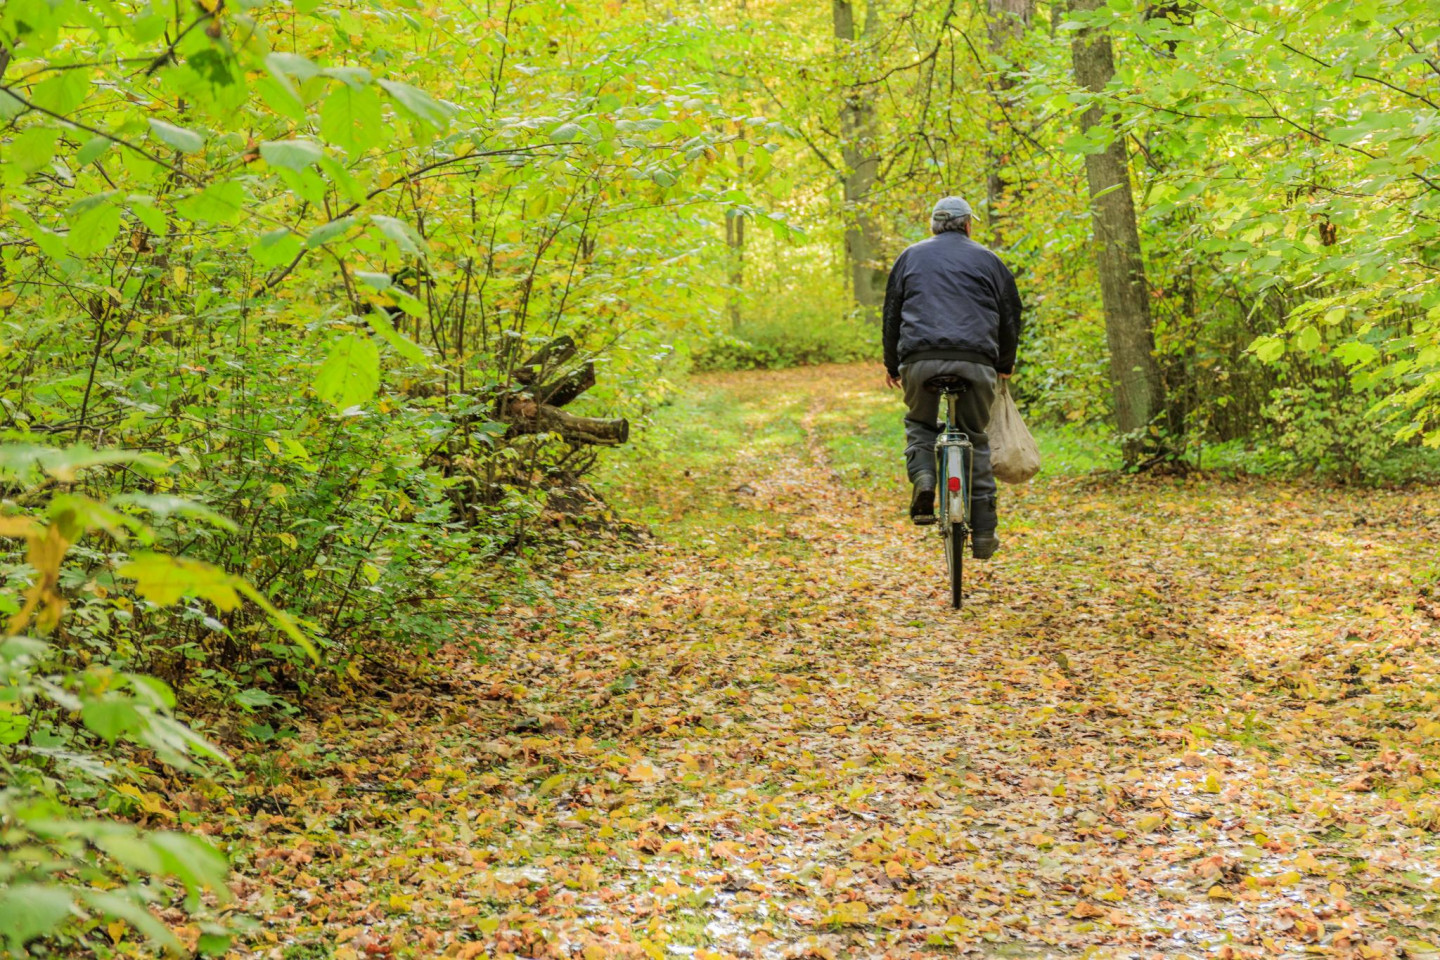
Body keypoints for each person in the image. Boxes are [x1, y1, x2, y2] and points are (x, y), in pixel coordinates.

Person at [882, 196, 1023, 559]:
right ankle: (986, 534)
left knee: (920, 424)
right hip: (976, 361)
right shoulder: (989, 260)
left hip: (920, 358)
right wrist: (1004, 362)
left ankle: (925, 480)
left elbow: (892, 314)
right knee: (975, 438)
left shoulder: (909, 257)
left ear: (933, 225)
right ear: (967, 225)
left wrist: (892, 364)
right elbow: (1010, 314)